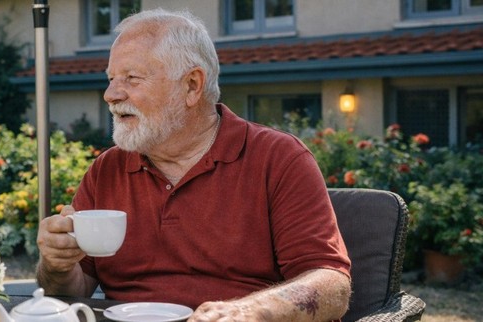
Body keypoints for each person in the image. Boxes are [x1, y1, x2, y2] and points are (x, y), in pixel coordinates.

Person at [36, 8, 352, 322]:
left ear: (191, 86)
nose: (110, 94)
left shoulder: (278, 158)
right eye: (111, 79)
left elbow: (330, 283)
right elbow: (74, 290)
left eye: (131, 78)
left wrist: (251, 311)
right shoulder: (107, 169)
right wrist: (57, 264)